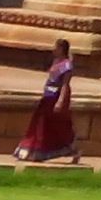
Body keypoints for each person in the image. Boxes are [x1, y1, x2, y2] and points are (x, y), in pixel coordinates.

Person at [15, 37, 79, 165]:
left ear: (61, 49)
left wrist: (60, 101)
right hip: (48, 96)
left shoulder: (67, 65)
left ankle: (70, 149)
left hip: (57, 97)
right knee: (40, 124)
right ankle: (34, 150)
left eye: (56, 47)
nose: (53, 49)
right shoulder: (56, 62)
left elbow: (65, 85)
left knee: (57, 126)